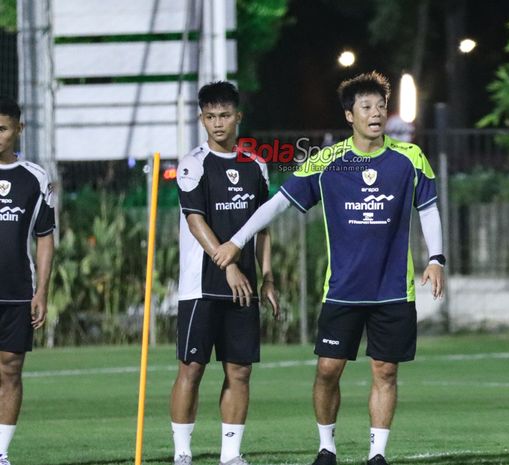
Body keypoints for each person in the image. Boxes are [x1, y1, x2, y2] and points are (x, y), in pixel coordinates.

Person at [213, 71, 445, 465]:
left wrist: (436, 258)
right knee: (327, 370)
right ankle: (327, 447)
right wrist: (237, 241)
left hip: (393, 288)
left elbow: (429, 209)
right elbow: (279, 203)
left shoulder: (409, 158)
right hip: (343, 289)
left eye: (381, 107)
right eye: (366, 107)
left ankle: (377, 455)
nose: (376, 113)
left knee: (385, 371)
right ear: (349, 115)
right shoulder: (329, 163)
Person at [171, 81, 279, 465]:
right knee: (192, 369)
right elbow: (196, 220)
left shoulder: (256, 166)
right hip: (200, 287)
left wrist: (267, 276)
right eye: (211, 116)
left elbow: (263, 226)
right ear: (202, 118)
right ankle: (182, 453)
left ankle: (230, 455)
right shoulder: (191, 164)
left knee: (240, 371)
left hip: (245, 287)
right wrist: (229, 264)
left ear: (238, 117)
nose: (218, 123)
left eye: (225, 115)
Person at [0, 96, 56, 465]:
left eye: (2, 128)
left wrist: (41, 292)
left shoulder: (34, 177)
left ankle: (0, 452)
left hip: (17, 291)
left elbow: (45, 236)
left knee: (10, 368)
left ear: (19, 129)